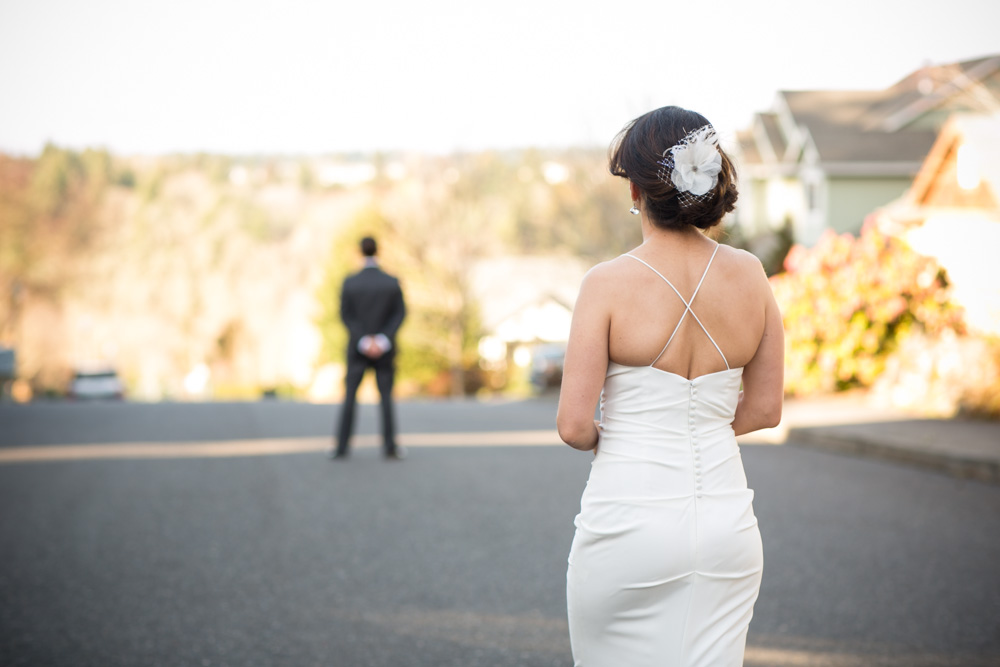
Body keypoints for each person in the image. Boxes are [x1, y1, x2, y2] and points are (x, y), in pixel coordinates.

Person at [557, 106, 784, 666]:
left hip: (628, 522)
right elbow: (764, 409)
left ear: (636, 190)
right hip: (727, 529)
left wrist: (625, 435)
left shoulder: (605, 284)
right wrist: (702, 430)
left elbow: (573, 425)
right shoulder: (751, 275)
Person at [333, 236, 407, 460]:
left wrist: (364, 339)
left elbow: (345, 315)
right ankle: (390, 447)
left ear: (359, 252)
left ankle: (341, 448)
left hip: (357, 349)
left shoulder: (350, 282)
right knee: (385, 398)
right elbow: (400, 314)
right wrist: (383, 339)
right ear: (378, 251)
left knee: (350, 398)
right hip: (385, 350)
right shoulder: (392, 282)